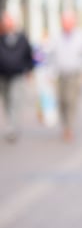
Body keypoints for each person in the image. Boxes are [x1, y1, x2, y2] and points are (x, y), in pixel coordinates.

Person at [47, 11, 82, 142]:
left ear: (74, 22)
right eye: (64, 21)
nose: (66, 24)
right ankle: (65, 125)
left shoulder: (81, 37)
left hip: (74, 75)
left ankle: (69, 127)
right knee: (62, 101)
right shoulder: (57, 36)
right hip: (60, 74)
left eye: (69, 21)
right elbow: (51, 57)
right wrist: (49, 74)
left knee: (71, 101)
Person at [0, 11, 35, 142]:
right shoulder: (1, 38)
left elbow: (28, 55)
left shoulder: (22, 38)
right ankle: (10, 124)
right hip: (3, 75)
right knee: (7, 101)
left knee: (16, 101)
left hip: (17, 74)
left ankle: (14, 127)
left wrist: (29, 70)